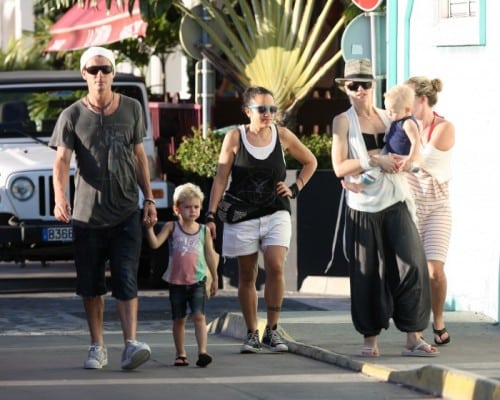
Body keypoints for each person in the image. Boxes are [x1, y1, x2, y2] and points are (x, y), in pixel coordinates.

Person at [50, 46, 154, 370]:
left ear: (113, 73)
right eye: (93, 70)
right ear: (84, 74)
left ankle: (130, 344)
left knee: (126, 277)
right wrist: (60, 197)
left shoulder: (133, 109)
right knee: (91, 285)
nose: (99, 76)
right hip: (87, 216)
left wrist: (148, 197)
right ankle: (97, 346)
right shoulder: (72, 115)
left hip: (125, 210)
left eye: (105, 69)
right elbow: (61, 162)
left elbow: (140, 157)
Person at [331, 58, 438, 357]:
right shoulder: (342, 121)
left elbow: (412, 150)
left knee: (412, 264)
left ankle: (413, 336)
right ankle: (370, 340)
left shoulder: (389, 115)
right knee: (367, 274)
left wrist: (407, 163)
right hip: (363, 206)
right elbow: (340, 166)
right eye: (354, 85)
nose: (360, 90)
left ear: (373, 85)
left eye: (365, 84)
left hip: (395, 198)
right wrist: (373, 160)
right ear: (346, 88)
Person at [206, 86, 317, 353]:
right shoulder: (234, 137)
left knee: (276, 266)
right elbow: (221, 177)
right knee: (247, 274)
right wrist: (210, 215)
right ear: (247, 111)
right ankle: (251, 332)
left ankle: (273, 330)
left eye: (272, 109)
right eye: (262, 109)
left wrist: (295, 188)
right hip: (241, 213)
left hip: (276, 210)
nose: (268, 114)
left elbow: (310, 161)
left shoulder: (283, 136)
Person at [145, 183, 219, 367]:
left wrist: (215, 278)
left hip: (198, 280)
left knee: (199, 316)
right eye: (187, 207)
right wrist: (148, 228)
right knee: (179, 319)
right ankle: (181, 354)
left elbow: (210, 254)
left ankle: (202, 351)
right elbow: (155, 244)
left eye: (196, 207)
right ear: (177, 209)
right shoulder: (172, 227)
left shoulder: (204, 230)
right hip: (176, 282)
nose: (192, 211)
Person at [405, 76, 455, 346]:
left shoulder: (444, 127)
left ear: (422, 99)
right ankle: (415, 329)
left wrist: (399, 156)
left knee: (434, 270)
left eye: (408, 97)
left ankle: (438, 320)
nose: (404, 103)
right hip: (410, 205)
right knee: (414, 271)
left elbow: (421, 162)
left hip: (437, 206)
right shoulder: (403, 124)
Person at [341, 84, 421, 193]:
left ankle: (359, 186)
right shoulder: (396, 119)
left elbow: (416, 141)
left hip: (401, 156)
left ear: (407, 110)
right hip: (391, 155)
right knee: (376, 169)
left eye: (392, 111)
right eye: (387, 109)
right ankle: (360, 186)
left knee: (376, 171)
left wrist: (410, 159)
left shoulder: (408, 123)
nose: (388, 113)